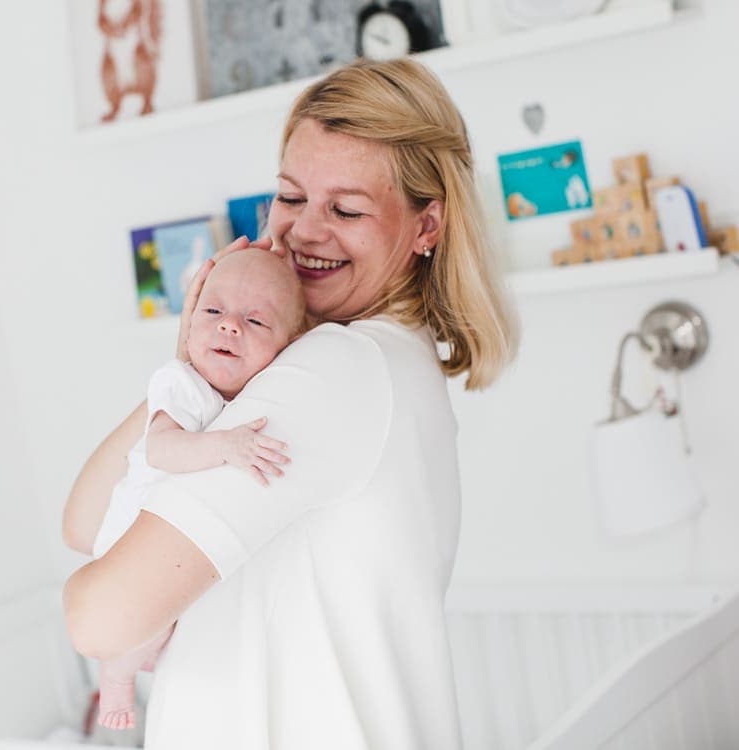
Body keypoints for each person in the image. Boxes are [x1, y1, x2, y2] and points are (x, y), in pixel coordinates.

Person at [62, 57, 518, 749]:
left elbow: (98, 620)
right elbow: (88, 521)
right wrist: (192, 370)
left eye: (346, 209)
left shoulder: (337, 367)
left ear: (427, 225)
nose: (305, 231)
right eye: (290, 196)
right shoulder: (385, 360)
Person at [91, 249, 308, 731]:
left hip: (166, 541)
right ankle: (116, 676)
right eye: (213, 311)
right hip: (130, 537)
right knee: (149, 621)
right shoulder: (182, 383)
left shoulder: (248, 397)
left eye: (255, 320)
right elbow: (163, 450)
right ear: (188, 328)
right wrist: (227, 446)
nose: (229, 325)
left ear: (289, 346)